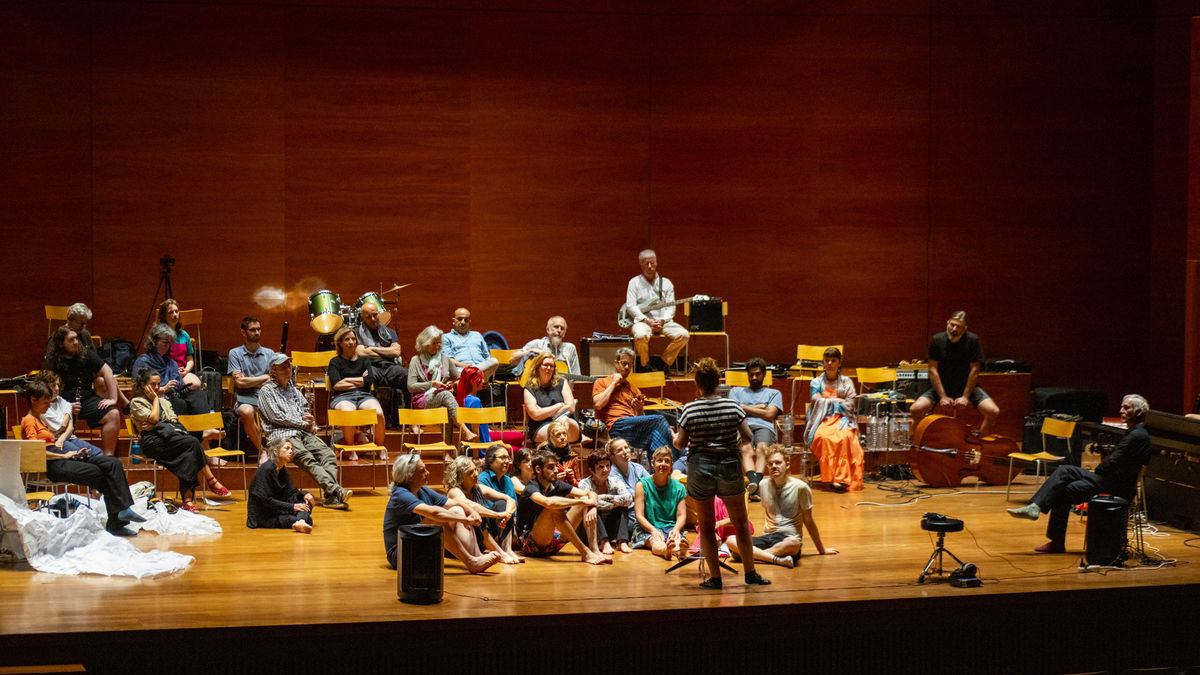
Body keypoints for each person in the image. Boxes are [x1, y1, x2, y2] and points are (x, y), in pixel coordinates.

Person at [1007, 395, 1152, 553]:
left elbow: (1113, 462)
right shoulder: (1136, 433)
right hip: (1112, 481)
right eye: (1122, 407)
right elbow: (1118, 460)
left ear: (1138, 412)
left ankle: (1049, 531)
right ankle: (1041, 517)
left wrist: (1099, 469)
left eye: (1126, 408)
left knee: (1064, 477)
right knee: (1063, 484)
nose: (1121, 410)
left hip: (1114, 486)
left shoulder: (1137, 435)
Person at [674, 356, 768, 589]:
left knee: (706, 525)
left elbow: (680, 444)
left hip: (701, 469)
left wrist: (676, 436)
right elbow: (747, 437)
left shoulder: (690, 409)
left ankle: (715, 578)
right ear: (718, 382)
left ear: (698, 384)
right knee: (741, 522)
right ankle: (750, 573)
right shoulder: (732, 406)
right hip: (728, 466)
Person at [21, 379, 145, 536]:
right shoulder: (29, 421)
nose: (48, 405)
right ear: (33, 400)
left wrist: (73, 454)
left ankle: (124, 510)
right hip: (54, 465)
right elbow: (35, 451)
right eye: (45, 402)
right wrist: (65, 454)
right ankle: (117, 520)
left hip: (62, 457)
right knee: (100, 473)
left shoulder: (40, 419)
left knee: (112, 463)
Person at [257, 353, 352, 509]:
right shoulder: (266, 391)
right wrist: (302, 423)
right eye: (283, 367)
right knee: (307, 458)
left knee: (328, 454)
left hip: (301, 432)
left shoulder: (292, 389)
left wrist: (306, 417)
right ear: (273, 370)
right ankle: (336, 490)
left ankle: (331, 497)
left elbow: (304, 407)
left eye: (289, 365)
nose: (288, 369)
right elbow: (277, 417)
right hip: (281, 436)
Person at [129, 369, 231, 512]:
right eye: (153, 384)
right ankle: (209, 481)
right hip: (152, 443)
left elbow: (173, 420)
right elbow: (153, 418)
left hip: (171, 437)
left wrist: (156, 422)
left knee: (189, 451)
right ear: (143, 385)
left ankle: (188, 500)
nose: (157, 388)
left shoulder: (165, 401)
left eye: (158, 384)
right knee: (192, 443)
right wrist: (156, 401)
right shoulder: (136, 402)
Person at [382, 454, 502, 573]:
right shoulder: (400, 495)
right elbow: (434, 513)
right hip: (401, 554)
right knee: (436, 521)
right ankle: (471, 562)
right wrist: (465, 520)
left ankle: (477, 557)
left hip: (419, 546)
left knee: (457, 510)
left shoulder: (422, 490)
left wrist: (471, 511)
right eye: (422, 471)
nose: (428, 473)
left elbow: (455, 503)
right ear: (409, 476)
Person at [727, 445, 837, 568]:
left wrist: (821, 550)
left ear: (788, 464)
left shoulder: (801, 487)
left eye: (778, 463)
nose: (774, 466)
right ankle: (776, 559)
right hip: (767, 537)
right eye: (770, 464)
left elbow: (808, 520)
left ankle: (752, 556)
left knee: (793, 543)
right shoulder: (763, 485)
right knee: (731, 540)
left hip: (788, 539)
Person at [910, 311, 1000, 436]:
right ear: (947, 323)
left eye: (959, 327)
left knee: (993, 411)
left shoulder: (973, 340)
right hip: (941, 386)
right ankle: (918, 445)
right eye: (952, 325)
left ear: (965, 328)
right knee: (915, 409)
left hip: (966, 387)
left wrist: (965, 397)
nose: (954, 329)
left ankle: (982, 448)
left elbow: (975, 371)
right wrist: (943, 396)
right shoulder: (936, 340)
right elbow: (932, 370)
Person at [515, 449, 611, 564]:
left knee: (586, 500)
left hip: (554, 540)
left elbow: (590, 493)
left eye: (556, 466)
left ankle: (594, 549)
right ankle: (585, 553)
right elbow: (548, 503)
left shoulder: (556, 484)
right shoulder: (531, 487)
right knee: (554, 509)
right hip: (531, 544)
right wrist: (582, 502)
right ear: (538, 469)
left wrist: (592, 506)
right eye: (551, 467)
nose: (556, 470)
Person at [43, 326, 121, 455]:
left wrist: (113, 399)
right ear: (61, 343)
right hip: (60, 403)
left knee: (113, 414)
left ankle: (109, 457)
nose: (76, 342)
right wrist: (66, 407)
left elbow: (107, 371)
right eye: (71, 340)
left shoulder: (85, 353)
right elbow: (47, 389)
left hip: (85, 400)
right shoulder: (52, 361)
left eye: (76, 339)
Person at [592, 347, 677, 461]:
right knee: (659, 420)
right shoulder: (602, 382)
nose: (627, 367)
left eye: (630, 365)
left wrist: (640, 410)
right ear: (615, 363)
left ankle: (658, 475)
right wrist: (613, 383)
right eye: (624, 363)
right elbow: (598, 404)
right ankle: (676, 462)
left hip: (633, 427)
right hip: (617, 425)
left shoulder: (633, 389)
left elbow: (640, 418)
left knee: (655, 438)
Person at [804, 347, 864, 492]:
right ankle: (834, 477)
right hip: (821, 419)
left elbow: (850, 403)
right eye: (827, 360)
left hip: (843, 418)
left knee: (846, 437)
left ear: (839, 362)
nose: (830, 363)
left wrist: (830, 400)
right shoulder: (816, 382)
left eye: (833, 360)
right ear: (823, 362)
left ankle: (841, 479)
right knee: (825, 437)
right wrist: (837, 400)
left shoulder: (846, 381)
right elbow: (815, 399)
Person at [443, 455, 522, 564]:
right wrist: (498, 515)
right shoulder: (454, 491)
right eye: (470, 472)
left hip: (478, 541)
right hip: (459, 546)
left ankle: (507, 549)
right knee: (475, 514)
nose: (476, 474)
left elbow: (510, 500)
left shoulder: (478, 488)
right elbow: (471, 506)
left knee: (502, 504)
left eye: (475, 470)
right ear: (460, 476)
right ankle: (501, 553)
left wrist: (507, 514)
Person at [408, 325, 477, 446]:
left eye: (439, 343)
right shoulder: (415, 360)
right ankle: (464, 430)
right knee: (446, 395)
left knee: (446, 408)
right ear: (425, 343)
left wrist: (453, 384)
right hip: (422, 399)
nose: (437, 346)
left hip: (442, 397)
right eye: (434, 343)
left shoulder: (445, 359)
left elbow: (458, 379)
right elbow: (411, 386)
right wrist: (431, 384)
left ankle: (448, 450)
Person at [327, 326, 387, 461]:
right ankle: (351, 448)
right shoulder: (335, 362)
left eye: (353, 339)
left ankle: (380, 447)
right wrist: (359, 380)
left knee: (378, 413)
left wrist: (347, 380)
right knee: (348, 413)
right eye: (347, 339)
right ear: (340, 343)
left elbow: (368, 380)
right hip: (342, 397)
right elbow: (337, 385)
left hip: (364, 395)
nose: (351, 342)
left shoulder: (364, 360)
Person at [131, 323, 214, 419]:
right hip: (156, 399)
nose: (168, 346)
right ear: (154, 341)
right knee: (179, 404)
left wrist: (185, 387)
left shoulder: (171, 363)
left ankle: (207, 427)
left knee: (197, 394)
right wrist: (164, 389)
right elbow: (139, 390)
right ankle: (194, 430)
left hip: (175, 395)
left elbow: (179, 385)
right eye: (165, 342)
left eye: (170, 343)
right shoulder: (143, 361)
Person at [625, 249, 689, 373]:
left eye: (652, 263)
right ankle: (644, 364)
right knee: (640, 335)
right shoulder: (634, 282)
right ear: (641, 264)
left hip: (663, 321)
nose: (650, 266)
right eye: (646, 263)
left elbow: (671, 306)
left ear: (656, 263)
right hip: (643, 321)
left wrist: (662, 320)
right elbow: (631, 306)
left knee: (684, 335)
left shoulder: (666, 283)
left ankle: (664, 362)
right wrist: (647, 320)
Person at [729, 357, 782, 495]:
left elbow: (770, 414)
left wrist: (743, 407)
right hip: (742, 425)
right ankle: (756, 485)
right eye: (751, 374)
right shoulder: (736, 391)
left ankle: (754, 483)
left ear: (764, 374)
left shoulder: (774, 393)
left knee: (762, 448)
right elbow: (734, 411)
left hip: (764, 427)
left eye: (757, 374)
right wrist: (760, 408)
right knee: (746, 448)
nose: (754, 377)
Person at [62, 303, 129, 408]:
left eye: (85, 324)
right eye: (81, 323)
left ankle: (111, 407)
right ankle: (125, 404)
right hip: (72, 379)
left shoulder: (84, 334)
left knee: (104, 379)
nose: (83, 327)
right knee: (103, 379)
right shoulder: (58, 337)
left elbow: (95, 358)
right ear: (70, 319)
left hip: (89, 373)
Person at [29, 371, 104, 461]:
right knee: (81, 456)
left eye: (58, 385)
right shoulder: (41, 406)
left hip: (68, 438)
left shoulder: (59, 399)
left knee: (97, 452)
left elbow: (71, 427)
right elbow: (62, 426)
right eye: (53, 385)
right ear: (44, 386)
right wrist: (68, 412)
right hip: (54, 441)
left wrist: (67, 414)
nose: (57, 389)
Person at [227, 316, 274, 455]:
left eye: (259, 329)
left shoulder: (269, 353)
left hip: (266, 396)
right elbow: (240, 383)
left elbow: (272, 380)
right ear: (243, 332)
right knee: (246, 412)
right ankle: (262, 451)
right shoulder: (235, 353)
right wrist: (263, 378)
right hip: (245, 397)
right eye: (253, 330)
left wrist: (250, 381)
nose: (257, 332)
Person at [246, 439, 315, 533]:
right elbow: (267, 501)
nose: (291, 451)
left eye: (291, 449)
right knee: (308, 520)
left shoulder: (282, 468)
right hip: (264, 515)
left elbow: (293, 493)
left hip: (276, 509)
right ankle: (301, 520)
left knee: (307, 500)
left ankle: (301, 521)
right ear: (275, 451)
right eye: (287, 448)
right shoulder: (267, 469)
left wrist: (305, 494)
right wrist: (292, 507)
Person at [632, 446, 689, 560]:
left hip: (671, 526)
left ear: (671, 465)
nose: (663, 464)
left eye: (667, 461)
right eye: (659, 460)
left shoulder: (679, 487)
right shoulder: (642, 485)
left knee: (676, 540)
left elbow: (682, 515)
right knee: (656, 541)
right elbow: (639, 515)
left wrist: (677, 529)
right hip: (647, 527)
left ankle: (679, 552)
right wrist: (653, 530)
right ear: (653, 464)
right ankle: (665, 551)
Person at [577, 449, 633, 554]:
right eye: (600, 467)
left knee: (622, 508)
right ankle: (604, 542)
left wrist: (602, 497)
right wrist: (613, 503)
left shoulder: (615, 481)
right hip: (589, 529)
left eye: (608, 466)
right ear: (591, 469)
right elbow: (588, 502)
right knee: (592, 508)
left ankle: (622, 542)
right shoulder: (584, 483)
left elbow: (628, 499)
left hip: (609, 526)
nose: (605, 470)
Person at [354, 300, 409, 403]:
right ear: (363, 318)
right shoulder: (356, 333)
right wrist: (387, 352)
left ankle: (406, 412)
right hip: (370, 367)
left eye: (375, 315)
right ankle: (369, 412)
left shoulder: (390, 332)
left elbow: (396, 352)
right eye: (368, 317)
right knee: (365, 377)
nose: (373, 319)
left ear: (379, 313)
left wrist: (372, 349)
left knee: (407, 375)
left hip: (390, 368)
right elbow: (361, 353)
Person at [523, 351, 580, 444]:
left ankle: (560, 453)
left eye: (552, 366)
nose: (549, 368)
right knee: (559, 427)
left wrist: (544, 412)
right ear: (538, 367)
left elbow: (571, 407)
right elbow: (535, 415)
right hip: (542, 426)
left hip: (568, 423)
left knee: (563, 421)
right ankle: (562, 455)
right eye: (545, 365)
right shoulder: (530, 388)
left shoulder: (562, 382)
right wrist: (559, 406)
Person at [508, 315, 582, 378]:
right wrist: (530, 351)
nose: (559, 330)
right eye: (556, 327)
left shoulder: (570, 348)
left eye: (562, 328)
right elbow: (512, 359)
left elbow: (576, 375)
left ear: (564, 333)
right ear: (548, 330)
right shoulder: (537, 344)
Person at [441, 308, 500, 381]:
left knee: (494, 361)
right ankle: (480, 379)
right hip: (462, 370)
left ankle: (477, 378)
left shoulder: (477, 335)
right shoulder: (446, 337)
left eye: (466, 320)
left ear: (469, 321)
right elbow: (449, 360)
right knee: (463, 372)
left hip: (481, 369)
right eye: (460, 319)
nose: (463, 322)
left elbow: (486, 356)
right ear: (454, 321)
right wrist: (464, 365)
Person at [607, 437, 650, 535]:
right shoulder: (611, 473)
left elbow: (651, 487)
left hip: (645, 511)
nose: (625, 452)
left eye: (626, 448)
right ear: (612, 456)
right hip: (626, 516)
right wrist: (641, 494)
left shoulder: (638, 468)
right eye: (619, 450)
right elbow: (627, 496)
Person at [157, 299, 203, 391]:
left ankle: (180, 392)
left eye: (176, 311)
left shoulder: (184, 334)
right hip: (165, 373)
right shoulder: (159, 335)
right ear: (164, 316)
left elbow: (189, 359)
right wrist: (173, 370)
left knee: (196, 383)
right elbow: (157, 360)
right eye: (171, 312)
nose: (175, 314)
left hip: (182, 373)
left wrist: (186, 370)